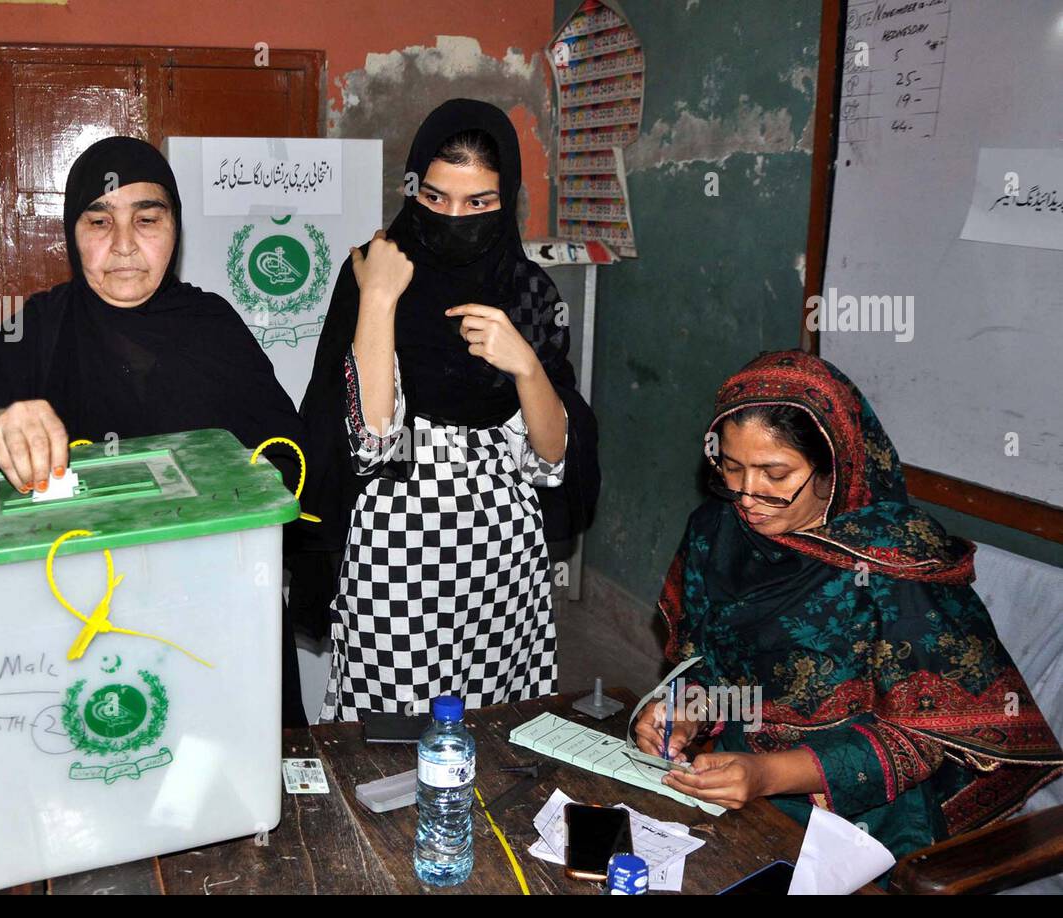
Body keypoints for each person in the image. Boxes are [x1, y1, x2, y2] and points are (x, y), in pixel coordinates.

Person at [0, 135, 311, 726]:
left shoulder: (213, 327)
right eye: (99, 221)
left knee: (227, 777)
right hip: (75, 624)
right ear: (72, 232)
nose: (124, 246)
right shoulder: (39, 329)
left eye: (148, 219)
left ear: (174, 228)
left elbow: (289, 460)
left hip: (212, 614)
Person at [634, 349, 1063, 864]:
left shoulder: (892, 563)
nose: (747, 495)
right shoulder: (717, 532)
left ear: (833, 467)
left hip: (857, 809)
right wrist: (686, 714)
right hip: (735, 773)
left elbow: (919, 740)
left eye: (775, 474)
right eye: (730, 468)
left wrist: (770, 774)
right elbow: (718, 670)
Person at [295, 99, 600, 722]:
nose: (454, 217)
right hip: (398, 544)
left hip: (505, 550)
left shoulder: (528, 290)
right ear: (412, 188)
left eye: (478, 203)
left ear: (505, 199)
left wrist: (525, 365)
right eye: (434, 198)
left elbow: (550, 461)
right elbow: (373, 444)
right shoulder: (371, 273)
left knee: (499, 734)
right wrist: (379, 301)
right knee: (394, 735)